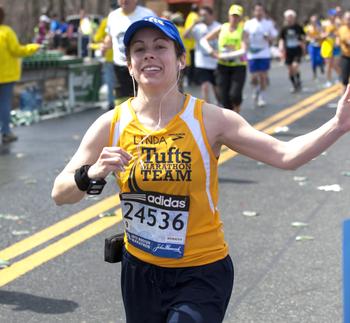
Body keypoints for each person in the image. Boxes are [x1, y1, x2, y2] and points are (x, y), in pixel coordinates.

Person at [51, 16, 350, 323]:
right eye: (139, 49)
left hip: (201, 271)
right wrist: (91, 173)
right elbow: (60, 194)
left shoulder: (210, 120)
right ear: (129, 65)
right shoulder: (111, 124)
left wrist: (338, 125)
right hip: (139, 273)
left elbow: (286, 155)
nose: (149, 54)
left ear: (181, 60)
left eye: (160, 46)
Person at [0, 6, 40, 144]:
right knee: (4, 104)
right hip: (6, 75)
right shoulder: (6, 32)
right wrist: (33, 47)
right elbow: (17, 51)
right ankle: (5, 132)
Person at [103, 0, 155, 106]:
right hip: (120, 66)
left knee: (144, 102)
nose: (124, 1)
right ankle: (123, 122)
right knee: (121, 102)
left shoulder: (147, 14)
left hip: (142, 66)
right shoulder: (113, 16)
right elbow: (110, 36)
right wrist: (104, 45)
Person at [201, 4, 247, 113]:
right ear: (229, 16)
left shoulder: (243, 31)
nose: (234, 18)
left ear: (240, 18)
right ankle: (230, 120)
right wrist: (211, 51)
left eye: (237, 16)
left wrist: (226, 55)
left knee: (234, 95)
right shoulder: (222, 28)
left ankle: (237, 114)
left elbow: (243, 50)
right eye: (233, 16)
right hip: (223, 66)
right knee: (223, 97)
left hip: (238, 66)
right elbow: (204, 40)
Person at [183, 6, 221, 103]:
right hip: (201, 63)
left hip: (215, 62)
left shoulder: (218, 27)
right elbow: (185, 36)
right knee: (204, 87)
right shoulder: (198, 27)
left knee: (217, 90)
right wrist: (193, 24)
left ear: (212, 15)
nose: (203, 17)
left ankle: (221, 106)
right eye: (201, 15)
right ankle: (207, 110)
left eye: (205, 15)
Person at [244, 3, 278, 107]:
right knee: (254, 77)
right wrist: (245, 47)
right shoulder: (249, 23)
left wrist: (269, 38)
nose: (259, 13)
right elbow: (244, 37)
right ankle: (256, 89)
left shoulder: (268, 24)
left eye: (261, 11)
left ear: (263, 12)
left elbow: (274, 37)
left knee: (263, 76)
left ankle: (261, 97)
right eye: (257, 10)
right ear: (254, 12)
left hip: (264, 53)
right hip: (252, 53)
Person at [278, 9, 306, 93]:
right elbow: (282, 39)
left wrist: (302, 43)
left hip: (297, 49)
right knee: (290, 70)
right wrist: (281, 48)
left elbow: (304, 36)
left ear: (294, 17)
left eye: (291, 17)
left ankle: (298, 80)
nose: (289, 18)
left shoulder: (298, 27)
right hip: (288, 50)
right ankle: (294, 85)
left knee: (295, 66)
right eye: (288, 17)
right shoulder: (284, 28)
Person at [321, 8, 341, 88]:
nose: (334, 16)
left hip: (336, 46)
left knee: (336, 64)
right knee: (328, 64)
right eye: (332, 14)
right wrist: (326, 34)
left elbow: (340, 33)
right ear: (329, 15)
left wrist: (337, 40)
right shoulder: (325, 23)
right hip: (327, 45)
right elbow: (321, 35)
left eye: (335, 14)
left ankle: (341, 77)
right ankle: (328, 81)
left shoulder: (338, 23)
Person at [305, 14, 324, 80]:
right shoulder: (308, 28)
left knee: (319, 58)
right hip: (312, 45)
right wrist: (311, 39)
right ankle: (314, 73)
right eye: (313, 21)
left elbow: (323, 35)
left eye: (315, 20)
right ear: (311, 21)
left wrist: (318, 37)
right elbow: (307, 37)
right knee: (313, 60)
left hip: (319, 45)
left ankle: (321, 66)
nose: (314, 22)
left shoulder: (319, 27)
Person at [338, 11, 350, 93]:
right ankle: (344, 99)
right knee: (344, 78)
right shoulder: (342, 29)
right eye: (348, 18)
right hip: (346, 56)